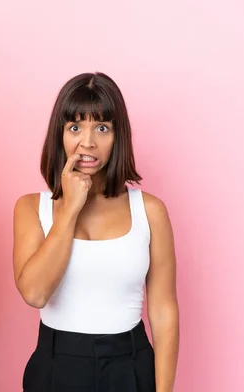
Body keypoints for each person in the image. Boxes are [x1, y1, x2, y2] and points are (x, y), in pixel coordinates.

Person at [12, 72, 179, 392]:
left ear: (118, 136)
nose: (87, 142)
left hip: (130, 365)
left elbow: (164, 311)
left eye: (102, 128)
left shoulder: (150, 210)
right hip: (56, 366)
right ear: (59, 135)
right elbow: (34, 293)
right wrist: (71, 208)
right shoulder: (32, 207)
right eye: (75, 127)